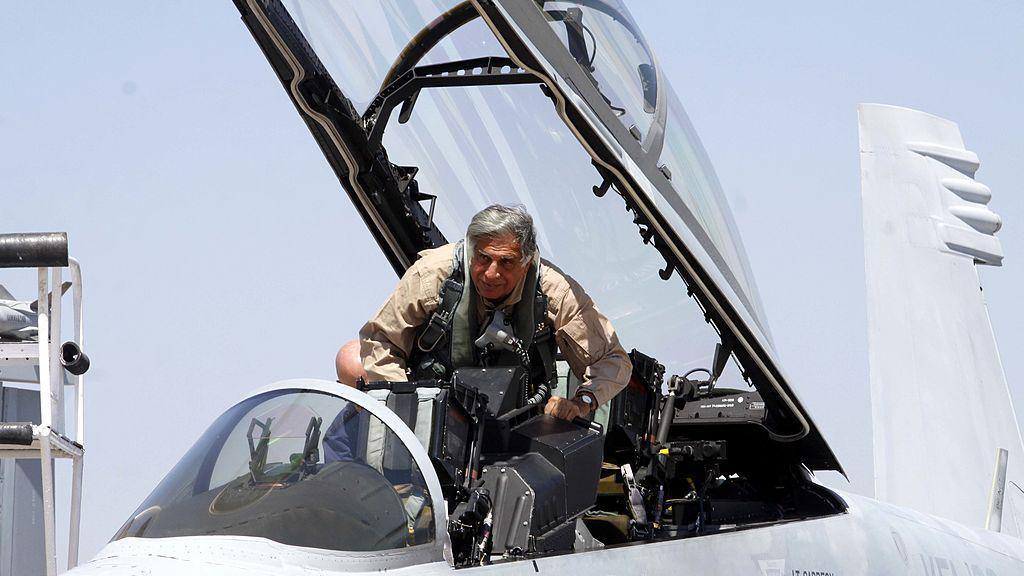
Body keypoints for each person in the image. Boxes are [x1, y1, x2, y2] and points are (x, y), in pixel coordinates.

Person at [341, 204, 632, 421]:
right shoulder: (433, 275)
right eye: (483, 258)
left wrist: (581, 402)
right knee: (352, 360)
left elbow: (612, 359)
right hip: (433, 408)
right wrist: (408, 409)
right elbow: (380, 340)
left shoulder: (554, 291)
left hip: (517, 420)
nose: (491, 274)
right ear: (471, 249)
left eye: (506, 263)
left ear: (527, 261)